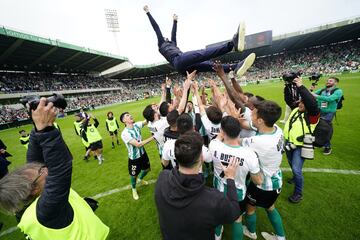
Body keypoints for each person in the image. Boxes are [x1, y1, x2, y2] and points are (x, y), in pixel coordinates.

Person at [0, 98, 109, 240]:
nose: (46, 169)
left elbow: (34, 162)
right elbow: (60, 168)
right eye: (41, 172)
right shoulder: (47, 210)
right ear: (32, 190)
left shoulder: (26, 204)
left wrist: (37, 124)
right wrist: (46, 128)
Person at [155, 131, 241, 240]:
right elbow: (234, 213)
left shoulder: (162, 178)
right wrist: (230, 178)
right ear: (201, 157)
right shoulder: (213, 199)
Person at [143, 5, 256, 76]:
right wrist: (148, 13)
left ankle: (234, 67)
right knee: (202, 54)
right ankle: (231, 45)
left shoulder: (172, 43)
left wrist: (175, 22)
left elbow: (174, 34)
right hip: (179, 61)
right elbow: (156, 28)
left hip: (184, 66)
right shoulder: (161, 44)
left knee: (207, 65)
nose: (167, 38)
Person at [209, 116, 263, 240]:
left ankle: (217, 236)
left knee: (218, 216)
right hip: (238, 192)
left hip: (218, 190)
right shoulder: (249, 154)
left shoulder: (214, 145)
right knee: (237, 219)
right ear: (239, 131)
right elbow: (258, 181)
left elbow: (218, 138)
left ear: (222, 131)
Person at [240, 101, 286, 240]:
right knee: (270, 207)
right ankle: (280, 237)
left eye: (253, 113)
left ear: (260, 120)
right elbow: (249, 125)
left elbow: (236, 141)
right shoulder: (277, 129)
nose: (250, 115)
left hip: (263, 183)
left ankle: (251, 232)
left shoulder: (258, 141)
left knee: (250, 208)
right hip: (276, 180)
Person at [284, 78, 320, 203]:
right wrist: (288, 85)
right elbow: (288, 99)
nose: (300, 104)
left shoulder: (313, 115)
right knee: (290, 162)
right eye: (300, 102)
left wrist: (301, 86)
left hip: (302, 146)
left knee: (296, 168)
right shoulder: (296, 109)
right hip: (289, 142)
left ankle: (298, 193)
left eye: (303, 103)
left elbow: (311, 103)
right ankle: (295, 178)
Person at [120, 112, 154, 200]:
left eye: (130, 114)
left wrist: (152, 111)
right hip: (134, 158)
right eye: (127, 115)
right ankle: (134, 189)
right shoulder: (125, 133)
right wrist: (154, 137)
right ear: (124, 121)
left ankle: (140, 179)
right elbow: (138, 145)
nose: (130, 115)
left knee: (147, 169)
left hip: (143, 154)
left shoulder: (136, 125)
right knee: (133, 175)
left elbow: (146, 121)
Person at [311, 77, 343, 155]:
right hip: (320, 111)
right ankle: (317, 142)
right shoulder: (323, 90)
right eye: (328, 80)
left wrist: (317, 96)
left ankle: (327, 147)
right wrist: (311, 90)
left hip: (329, 113)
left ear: (335, 83)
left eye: (331, 81)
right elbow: (311, 95)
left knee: (324, 130)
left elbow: (330, 99)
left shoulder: (338, 91)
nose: (328, 82)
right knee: (315, 127)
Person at [143, 104, 169, 169]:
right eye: (154, 110)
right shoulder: (161, 124)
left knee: (165, 168)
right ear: (154, 114)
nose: (156, 110)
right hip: (168, 149)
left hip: (161, 149)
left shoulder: (150, 124)